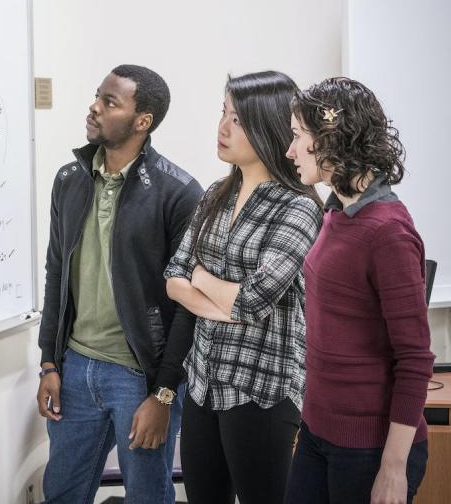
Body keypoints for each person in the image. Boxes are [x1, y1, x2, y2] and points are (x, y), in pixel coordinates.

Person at [37, 64, 203, 504]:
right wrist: (49, 363)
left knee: (148, 496)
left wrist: (164, 394)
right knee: (61, 494)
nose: (94, 107)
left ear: (142, 121)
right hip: (75, 368)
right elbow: (57, 271)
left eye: (110, 102)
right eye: (97, 96)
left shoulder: (178, 191)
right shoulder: (69, 180)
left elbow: (188, 305)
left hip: (139, 378)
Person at [164, 71, 322, 504]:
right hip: (203, 380)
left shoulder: (299, 207)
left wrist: (201, 277)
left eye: (237, 119)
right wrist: (218, 297)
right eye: (223, 113)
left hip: (261, 386)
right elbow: (173, 277)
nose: (222, 128)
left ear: (268, 125)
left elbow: (254, 300)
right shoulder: (215, 192)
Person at [284, 77, 433, 504]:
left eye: (297, 137)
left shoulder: (388, 232)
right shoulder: (337, 210)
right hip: (318, 429)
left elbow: (415, 359)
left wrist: (392, 469)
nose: (290, 150)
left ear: (331, 137)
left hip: (368, 447)